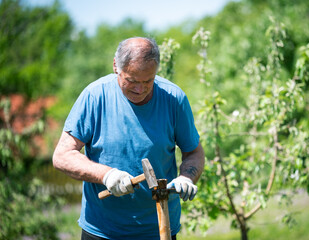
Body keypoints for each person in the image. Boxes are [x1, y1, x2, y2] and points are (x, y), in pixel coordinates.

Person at [52, 37, 205, 240]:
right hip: (102, 230)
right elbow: (62, 156)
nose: (140, 90)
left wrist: (187, 177)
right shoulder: (94, 97)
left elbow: (193, 152)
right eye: (131, 80)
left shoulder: (173, 99)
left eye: (148, 81)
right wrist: (106, 175)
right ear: (116, 66)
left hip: (160, 229)